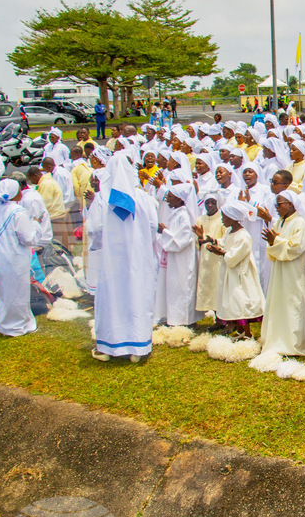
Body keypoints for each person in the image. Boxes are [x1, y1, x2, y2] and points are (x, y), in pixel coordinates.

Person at [92, 152, 159, 363]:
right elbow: (152, 226)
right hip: (138, 257)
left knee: (112, 298)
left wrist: (100, 245)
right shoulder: (143, 198)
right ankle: (137, 348)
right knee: (137, 295)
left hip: (112, 260)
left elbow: (94, 229)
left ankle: (107, 347)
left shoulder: (102, 199)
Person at [0, 179, 42, 337]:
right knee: (18, 292)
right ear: (15, 192)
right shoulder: (17, 211)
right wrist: (35, 224)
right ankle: (16, 326)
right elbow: (29, 238)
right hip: (14, 258)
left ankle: (6, 322)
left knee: (3, 292)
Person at [257, 191, 305, 355]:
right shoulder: (279, 222)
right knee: (279, 301)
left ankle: (295, 343)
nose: (277, 208)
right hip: (279, 270)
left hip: (295, 271)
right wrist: (271, 242)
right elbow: (273, 246)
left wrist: (275, 241)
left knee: (293, 303)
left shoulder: (300, 223)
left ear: (291, 204)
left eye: (279, 204)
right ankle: (278, 338)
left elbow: (296, 247)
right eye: (276, 205)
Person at [208, 200, 265, 338]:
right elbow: (224, 243)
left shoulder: (243, 236)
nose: (222, 220)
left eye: (224, 217)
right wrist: (215, 244)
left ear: (233, 218)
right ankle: (239, 330)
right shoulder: (230, 231)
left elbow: (235, 256)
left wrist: (221, 253)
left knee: (240, 302)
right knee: (232, 302)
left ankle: (247, 333)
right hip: (229, 273)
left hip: (240, 274)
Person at [156, 184, 203, 327]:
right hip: (175, 259)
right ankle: (175, 318)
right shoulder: (176, 213)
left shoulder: (184, 216)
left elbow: (181, 240)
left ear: (179, 199)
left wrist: (164, 232)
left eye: (170, 196)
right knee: (174, 288)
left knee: (183, 288)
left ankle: (185, 320)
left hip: (183, 259)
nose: (167, 199)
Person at [192, 196, 227, 316]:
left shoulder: (223, 219)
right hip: (205, 260)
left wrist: (213, 241)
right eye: (207, 203)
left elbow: (226, 238)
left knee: (217, 286)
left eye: (213, 202)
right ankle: (212, 315)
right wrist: (200, 239)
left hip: (218, 257)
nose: (210, 205)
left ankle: (220, 317)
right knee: (207, 287)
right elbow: (197, 240)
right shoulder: (200, 219)